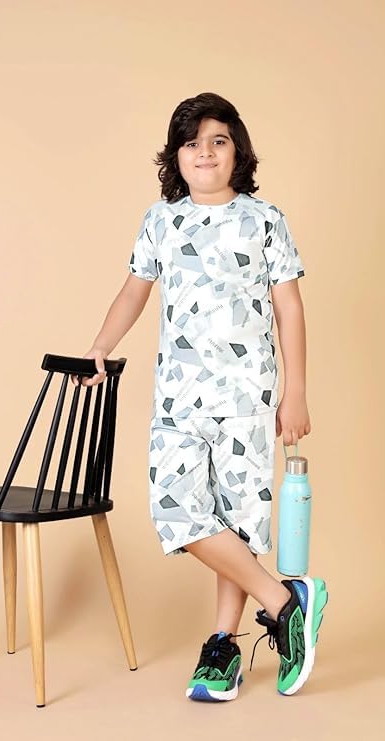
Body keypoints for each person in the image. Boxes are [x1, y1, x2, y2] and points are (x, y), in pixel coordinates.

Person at [71, 92, 328, 701]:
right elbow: (134, 291)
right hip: (178, 400)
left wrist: (295, 392)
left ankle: (222, 648)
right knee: (179, 513)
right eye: (191, 143)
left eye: (218, 141)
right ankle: (285, 602)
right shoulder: (161, 221)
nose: (205, 152)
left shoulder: (265, 220)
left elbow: (289, 307)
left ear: (238, 151)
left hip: (247, 397)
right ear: (175, 156)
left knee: (236, 521)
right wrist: (100, 346)